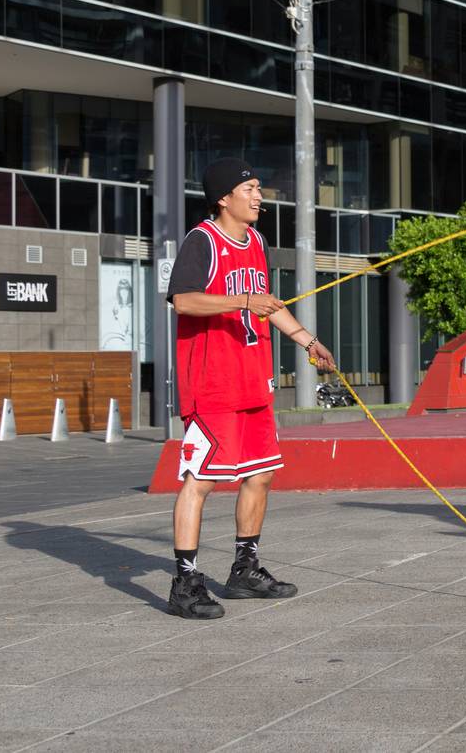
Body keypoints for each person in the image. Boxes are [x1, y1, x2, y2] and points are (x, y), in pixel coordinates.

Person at [165, 158, 336, 620]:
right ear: (224, 197)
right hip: (212, 383)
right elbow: (183, 301)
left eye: (259, 187)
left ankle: (244, 570)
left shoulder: (256, 241)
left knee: (260, 474)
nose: (259, 196)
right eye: (251, 188)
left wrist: (309, 341)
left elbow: (268, 306)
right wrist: (243, 299)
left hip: (252, 381)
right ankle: (184, 582)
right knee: (199, 482)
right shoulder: (202, 241)